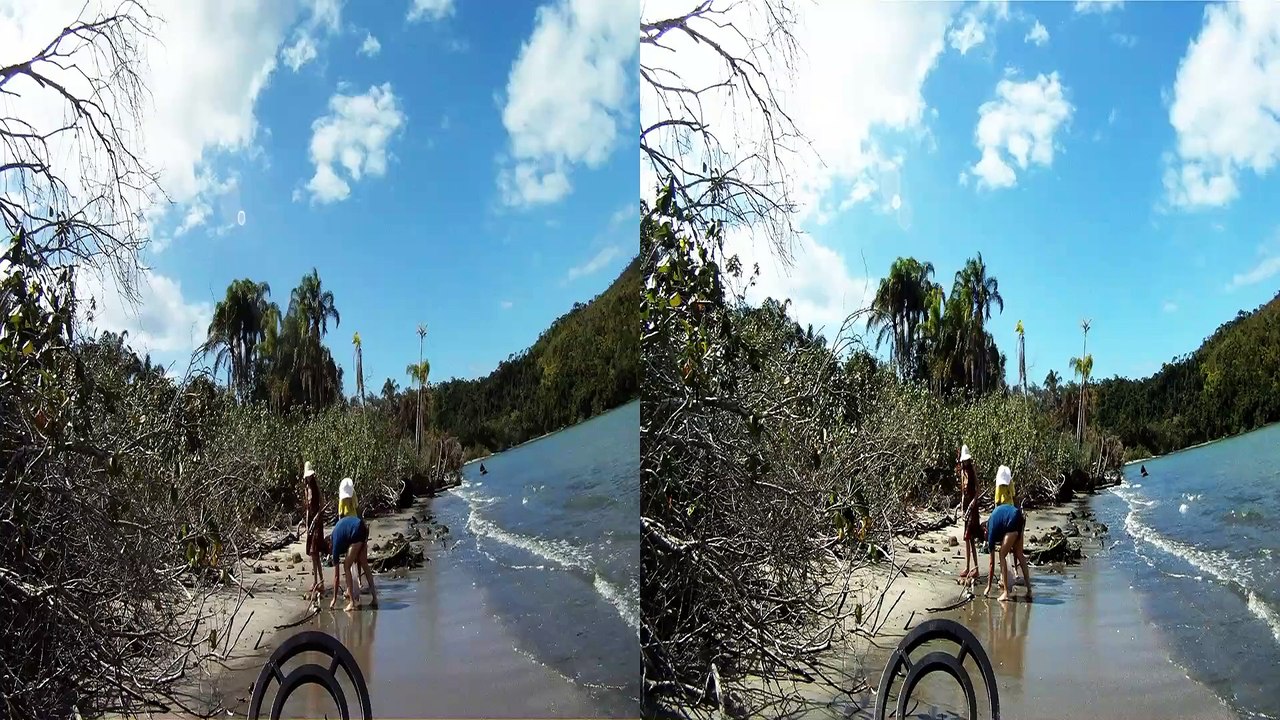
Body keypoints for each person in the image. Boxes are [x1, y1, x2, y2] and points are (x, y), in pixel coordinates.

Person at [984, 465, 1032, 602]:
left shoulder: (991, 531)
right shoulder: (994, 521)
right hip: (1018, 517)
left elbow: (992, 564)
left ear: (985, 531)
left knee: (1001, 554)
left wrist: (988, 587)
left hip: (1011, 521)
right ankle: (1029, 590)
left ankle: (1006, 592)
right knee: (1019, 555)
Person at [323, 514, 377, 612]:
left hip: (356, 531)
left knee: (346, 565)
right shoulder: (337, 534)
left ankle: (352, 603)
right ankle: (375, 599)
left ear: (329, 544)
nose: (330, 554)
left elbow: (336, 577)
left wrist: (334, 599)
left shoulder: (334, 543)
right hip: (362, 527)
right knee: (364, 564)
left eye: (329, 551)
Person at [337, 477, 373, 596]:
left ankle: (353, 591)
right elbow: (341, 516)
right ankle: (359, 589)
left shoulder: (353, 495)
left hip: (354, 529)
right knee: (358, 561)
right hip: (353, 529)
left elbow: (355, 511)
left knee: (351, 562)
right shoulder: (342, 500)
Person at [956, 445, 982, 583]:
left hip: (973, 505)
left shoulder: (972, 471)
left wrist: (973, 502)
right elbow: (962, 491)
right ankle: (968, 567)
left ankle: (976, 568)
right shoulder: (962, 472)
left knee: (970, 536)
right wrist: (962, 505)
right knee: (966, 537)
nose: (965, 462)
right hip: (966, 503)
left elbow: (978, 489)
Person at [301, 461, 325, 598]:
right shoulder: (307, 488)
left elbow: (320, 503)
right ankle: (317, 581)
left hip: (317, 523)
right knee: (312, 553)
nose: (309, 478)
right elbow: (308, 508)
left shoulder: (315, 487)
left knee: (315, 551)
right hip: (311, 522)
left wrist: (317, 517)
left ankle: (320, 581)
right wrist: (307, 521)